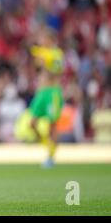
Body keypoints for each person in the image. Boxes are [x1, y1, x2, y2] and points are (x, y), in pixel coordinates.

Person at [16, 28, 64, 168]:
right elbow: (36, 66)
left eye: (44, 39)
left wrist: (45, 63)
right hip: (41, 92)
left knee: (52, 125)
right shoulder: (42, 53)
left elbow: (56, 72)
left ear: (51, 40)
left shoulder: (56, 54)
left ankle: (51, 156)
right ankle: (48, 145)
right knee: (32, 123)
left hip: (52, 92)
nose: (41, 41)